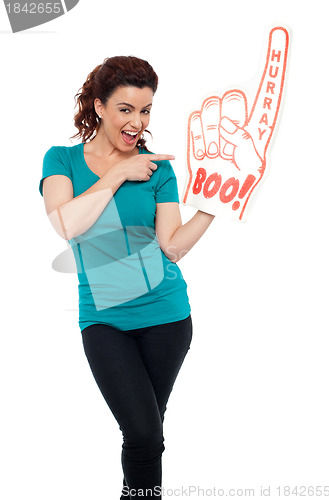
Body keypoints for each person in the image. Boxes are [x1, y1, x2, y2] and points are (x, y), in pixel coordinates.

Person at [39, 55, 215, 499]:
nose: (138, 121)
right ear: (99, 106)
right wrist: (118, 172)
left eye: (146, 110)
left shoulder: (159, 169)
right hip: (104, 321)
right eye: (126, 109)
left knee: (146, 438)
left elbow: (171, 247)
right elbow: (66, 224)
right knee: (141, 434)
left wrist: (215, 205)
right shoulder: (61, 159)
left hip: (167, 317)